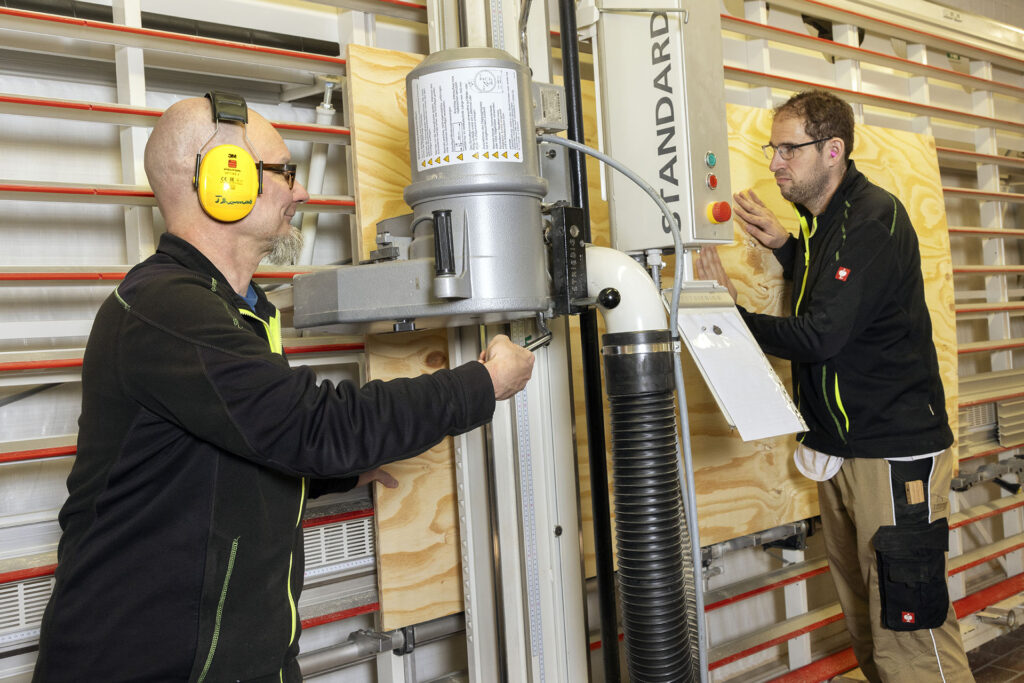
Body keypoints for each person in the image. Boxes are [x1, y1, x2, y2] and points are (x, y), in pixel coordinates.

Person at [32, 94, 535, 683]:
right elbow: (316, 428)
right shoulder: (167, 310)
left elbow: (236, 443)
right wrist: (484, 383)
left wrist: (333, 474)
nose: (301, 193)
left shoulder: (236, 311)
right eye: (283, 172)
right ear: (225, 178)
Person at [695, 90, 973, 682]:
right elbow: (846, 299)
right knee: (868, 627)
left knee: (910, 630)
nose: (774, 162)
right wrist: (790, 250)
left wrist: (726, 314)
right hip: (845, 452)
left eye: (788, 149)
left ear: (832, 151)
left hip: (894, 454)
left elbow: (822, 334)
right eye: (774, 148)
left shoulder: (872, 217)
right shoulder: (825, 224)